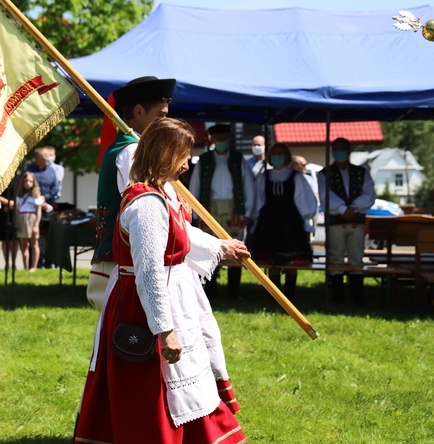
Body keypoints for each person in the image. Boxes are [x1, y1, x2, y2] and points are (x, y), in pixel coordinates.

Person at [75, 118, 249, 443]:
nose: (188, 162)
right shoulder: (147, 206)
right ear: (167, 155)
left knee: (185, 382)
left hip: (162, 302)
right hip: (144, 310)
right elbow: (150, 272)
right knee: (152, 392)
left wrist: (221, 247)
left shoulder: (161, 194)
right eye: (184, 154)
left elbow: (180, 235)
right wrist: (164, 331)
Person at [88, 76, 174, 310]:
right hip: (124, 264)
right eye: (160, 116)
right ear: (138, 112)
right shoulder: (132, 151)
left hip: (127, 261)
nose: (164, 123)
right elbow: (143, 214)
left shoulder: (134, 149)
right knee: (127, 339)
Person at [188, 123, 255, 300]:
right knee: (210, 247)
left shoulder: (238, 158)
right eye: (218, 139)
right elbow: (194, 187)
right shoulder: (204, 160)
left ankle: (234, 292)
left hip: (234, 208)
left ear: (229, 139)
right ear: (212, 140)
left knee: (236, 247)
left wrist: (247, 212)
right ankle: (210, 292)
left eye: (224, 138)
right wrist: (196, 214)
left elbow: (248, 185)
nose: (221, 141)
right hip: (210, 208)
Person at [249, 143, 317, 299]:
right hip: (268, 223)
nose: (277, 157)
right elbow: (258, 201)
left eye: (280, 154)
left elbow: (305, 202)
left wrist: (307, 226)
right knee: (272, 261)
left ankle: (290, 296)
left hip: (291, 223)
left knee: (291, 261)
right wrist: (254, 224)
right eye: (274, 154)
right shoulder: (263, 177)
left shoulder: (297, 177)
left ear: (287, 157)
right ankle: (276, 296)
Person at [318, 137, 376, 305]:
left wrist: (354, 208)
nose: (338, 152)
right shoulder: (324, 173)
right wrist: (343, 209)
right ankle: (337, 297)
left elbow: (369, 194)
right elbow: (325, 196)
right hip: (335, 222)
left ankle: (357, 297)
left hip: (356, 222)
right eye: (335, 149)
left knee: (356, 258)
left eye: (342, 148)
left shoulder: (361, 172)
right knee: (335, 257)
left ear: (349, 151)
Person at [21, 147, 58, 267]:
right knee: (32, 237)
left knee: (47, 236)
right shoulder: (28, 169)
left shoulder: (51, 171)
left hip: (46, 207)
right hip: (31, 209)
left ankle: (48, 262)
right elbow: (22, 187)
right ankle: (33, 264)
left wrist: (44, 199)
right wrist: (36, 200)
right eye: (46, 156)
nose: (49, 158)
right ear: (38, 158)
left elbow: (55, 189)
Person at [15, 171, 43, 272]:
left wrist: (36, 225)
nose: (28, 183)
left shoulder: (36, 195)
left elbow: (38, 211)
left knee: (34, 244)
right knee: (24, 245)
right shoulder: (20, 195)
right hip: (22, 218)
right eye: (26, 181)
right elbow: (17, 210)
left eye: (30, 181)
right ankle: (25, 266)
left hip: (32, 218)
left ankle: (34, 267)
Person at [292, 155, 320, 239]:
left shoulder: (309, 179)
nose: (305, 167)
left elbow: (314, 197)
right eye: (302, 165)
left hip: (305, 220)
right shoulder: (288, 180)